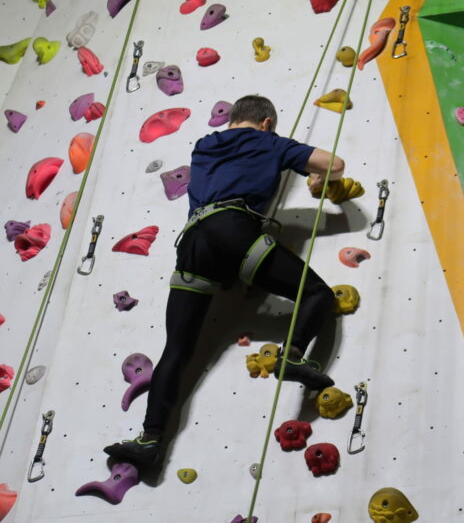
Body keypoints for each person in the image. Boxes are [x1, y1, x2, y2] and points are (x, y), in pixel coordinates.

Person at [104, 95, 346, 467]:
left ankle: (150, 442)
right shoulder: (269, 141)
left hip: (193, 242)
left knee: (177, 349)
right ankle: (292, 356)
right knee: (316, 293)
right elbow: (334, 164)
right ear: (266, 122)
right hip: (233, 230)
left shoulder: (204, 145)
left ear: (233, 119)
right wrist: (318, 176)